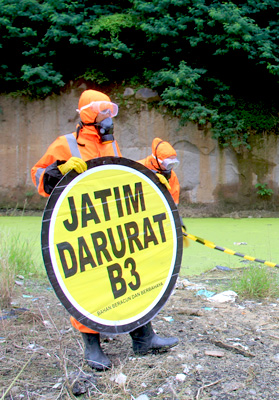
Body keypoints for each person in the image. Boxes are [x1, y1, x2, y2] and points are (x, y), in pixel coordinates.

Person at [31, 89, 178, 371]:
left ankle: (144, 338)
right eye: (102, 110)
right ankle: (92, 346)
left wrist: (150, 174)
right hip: (82, 227)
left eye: (111, 110)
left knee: (130, 272)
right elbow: (39, 175)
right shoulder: (66, 144)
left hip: (115, 224)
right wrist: (58, 171)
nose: (107, 116)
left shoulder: (111, 144)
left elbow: (121, 178)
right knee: (88, 284)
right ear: (87, 112)